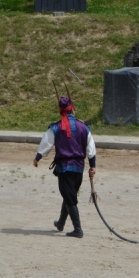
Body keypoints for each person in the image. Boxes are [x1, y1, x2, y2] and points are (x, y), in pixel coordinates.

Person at [33, 94, 97, 238]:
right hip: (78, 169)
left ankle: (78, 229)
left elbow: (46, 142)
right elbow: (91, 148)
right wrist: (93, 165)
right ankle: (61, 223)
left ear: (61, 111)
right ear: (72, 109)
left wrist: (37, 157)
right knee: (69, 195)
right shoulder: (83, 127)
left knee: (69, 197)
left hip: (65, 168)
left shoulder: (56, 127)